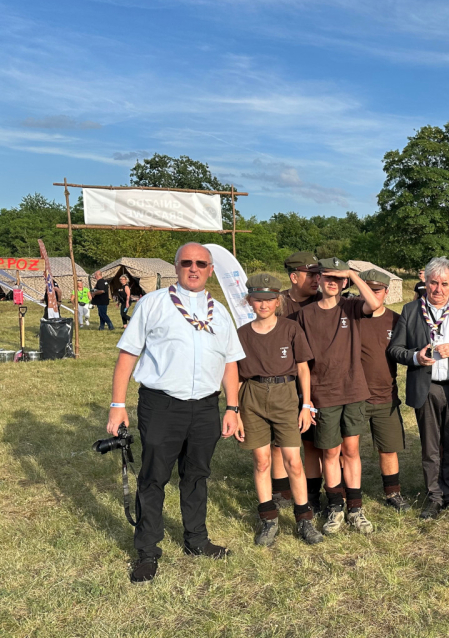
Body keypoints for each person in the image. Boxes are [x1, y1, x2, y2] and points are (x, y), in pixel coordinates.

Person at [107, 243, 244, 583]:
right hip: (162, 405)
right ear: (176, 266)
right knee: (154, 477)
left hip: (206, 407)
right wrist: (117, 405)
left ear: (211, 269)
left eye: (201, 263)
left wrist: (232, 407)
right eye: (186, 263)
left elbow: (230, 362)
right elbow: (128, 355)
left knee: (197, 475)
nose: (193, 268)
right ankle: (147, 551)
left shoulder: (219, 313)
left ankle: (196, 540)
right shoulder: (153, 304)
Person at [388, 257, 449, 519]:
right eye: (433, 282)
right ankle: (434, 496)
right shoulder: (411, 310)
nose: (438, 289)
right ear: (426, 282)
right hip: (427, 386)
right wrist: (415, 357)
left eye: (444, 284)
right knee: (430, 447)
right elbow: (394, 349)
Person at [234, 273, 323, 547]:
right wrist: (235, 411)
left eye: (269, 299)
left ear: (278, 301)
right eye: (258, 299)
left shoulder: (290, 329)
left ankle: (304, 519)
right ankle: (269, 520)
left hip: (285, 395)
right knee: (262, 461)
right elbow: (237, 376)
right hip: (252, 396)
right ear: (249, 301)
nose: (263, 305)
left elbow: (303, 369)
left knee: (293, 461)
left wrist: (305, 405)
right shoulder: (242, 334)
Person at [295, 258, 383, 535]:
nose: (332, 282)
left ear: (344, 282)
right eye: (327, 277)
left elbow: (375, 304)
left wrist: (353, 275)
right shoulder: (306, 314)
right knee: (330, 452)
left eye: (338, 278)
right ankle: (335, 507)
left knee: (351, 450)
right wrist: (307, 399)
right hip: (323, 393)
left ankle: (355, 508)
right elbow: (302, 362)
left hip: (353, 390)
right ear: (319, 279)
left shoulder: (352, 306)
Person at [356, 269, 411, 512]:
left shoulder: (396, 320)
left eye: (376, 290)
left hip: (385, 394)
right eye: (366, 290)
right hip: (354, 395)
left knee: (388, 448)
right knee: (348, 449)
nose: (371, 295)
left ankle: (393, 492)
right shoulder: (352, 317)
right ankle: (347, 493)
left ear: (387, 292)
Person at [276, 251, 323, 509]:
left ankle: (313, 494)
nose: (317, 279)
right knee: (279, 442)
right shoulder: (277, 303)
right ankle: (281, 492)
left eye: (318, 274)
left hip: (317, 379)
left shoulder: (324, 301)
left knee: (312, 440)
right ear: (294, 277)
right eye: (311, 274)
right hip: (282, 381)